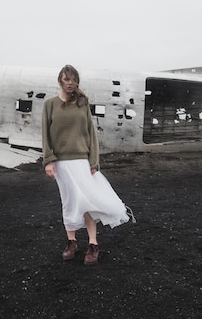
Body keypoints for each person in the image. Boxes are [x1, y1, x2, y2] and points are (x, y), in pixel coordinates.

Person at [42, 64, 134, 265]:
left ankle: (93, 244)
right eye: (66, 79)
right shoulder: (49, 105)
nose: (70, 83)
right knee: (69, 200)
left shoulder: (82, 104)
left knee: (86, 201)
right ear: (60, 80)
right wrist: (48, 160)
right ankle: (71, 242)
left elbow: (91, 134)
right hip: (61, 163)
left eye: (73, 79)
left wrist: (94, 161)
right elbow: (45, 135)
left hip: (81, 161)